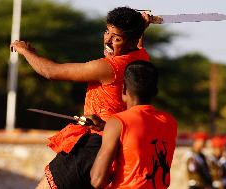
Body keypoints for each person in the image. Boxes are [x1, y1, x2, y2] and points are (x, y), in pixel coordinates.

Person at [11, 7, 153, 189]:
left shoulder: (108, 68)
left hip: (93, 146)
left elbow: (51, 72)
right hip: (116, 149)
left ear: (131, 41)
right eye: (107, 32)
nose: (108, 41)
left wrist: (25, 51)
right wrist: (142, 28)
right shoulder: (141, 58)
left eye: (116, 38)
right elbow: (138, 45)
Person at [90, 60, 178, 189]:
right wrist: (106, 127)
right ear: (155, 92)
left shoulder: (117, 122)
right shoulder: (170, 122)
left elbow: (97, 180)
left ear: (124, 89)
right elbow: (142, 134)